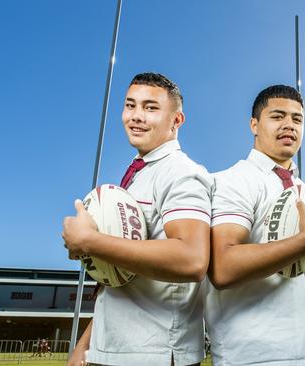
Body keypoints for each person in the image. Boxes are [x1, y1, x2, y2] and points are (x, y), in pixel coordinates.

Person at [63, 72, 212, 366]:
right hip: (114, 349)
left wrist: (90, 240)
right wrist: (86, 346)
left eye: (151, 108)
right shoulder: (137, 175)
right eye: (130, 105)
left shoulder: (181, 172)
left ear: (176, 120)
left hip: (154, 353)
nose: (136, 116)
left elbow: (192, 258)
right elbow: (119, 280)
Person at [206, 85, 305, 365]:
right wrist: (303, 242)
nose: (289, 125)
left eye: (297, 119)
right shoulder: (230, 181)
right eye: (278, 116)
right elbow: (222, 268)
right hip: (256, 356)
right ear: (254, 124)